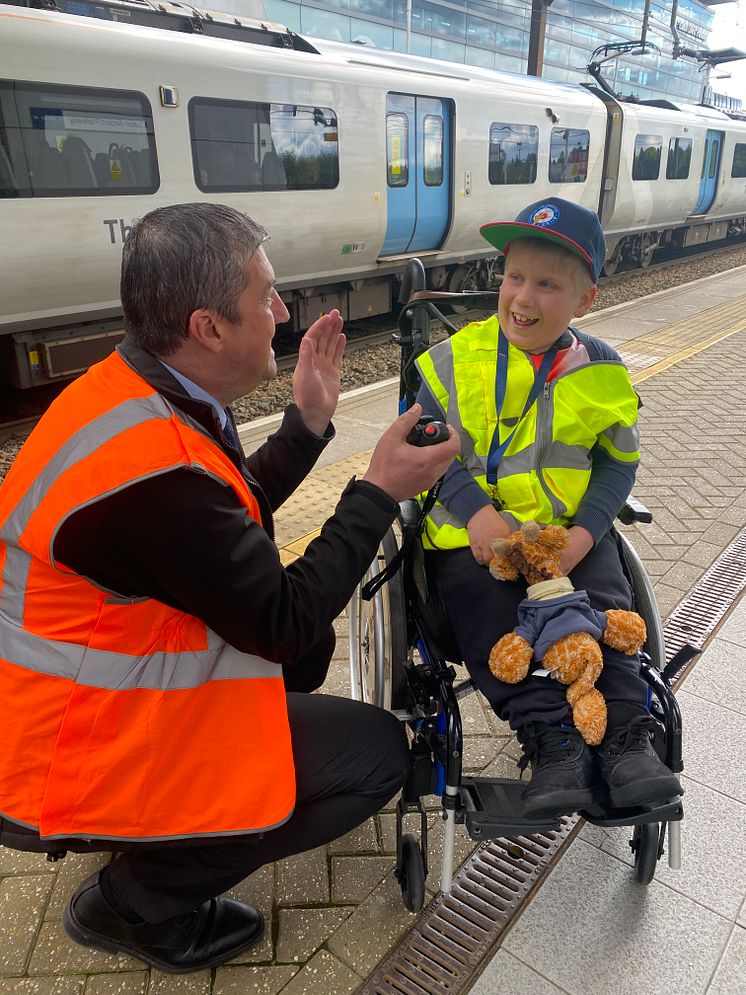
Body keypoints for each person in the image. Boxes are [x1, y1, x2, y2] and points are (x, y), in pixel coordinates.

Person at [0, 202, 460, 973]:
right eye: (268, 297)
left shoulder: (135, 391)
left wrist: (308, 423)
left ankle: (149, 834)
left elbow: (218, 521)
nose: (284, 312)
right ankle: (130, 901)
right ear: (209, 327)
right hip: (69, 752)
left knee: (306, 656)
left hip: (68, 696)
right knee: (375, 753)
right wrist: (377, 490)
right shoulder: (152, 472)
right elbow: (277, 615)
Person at [414, 197, 682, 820]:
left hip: (568, 540)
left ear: (584, 301)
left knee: (609, 607)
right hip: (477, 540)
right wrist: (476, 512)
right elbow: (423, 453)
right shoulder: (454, 362)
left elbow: (618, 463)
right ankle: (554, 744)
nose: (522, 298)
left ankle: (625, 739)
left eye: (547, 285)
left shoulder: (603, 368)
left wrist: (587, 535)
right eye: (513, 278)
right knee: (489, 611)